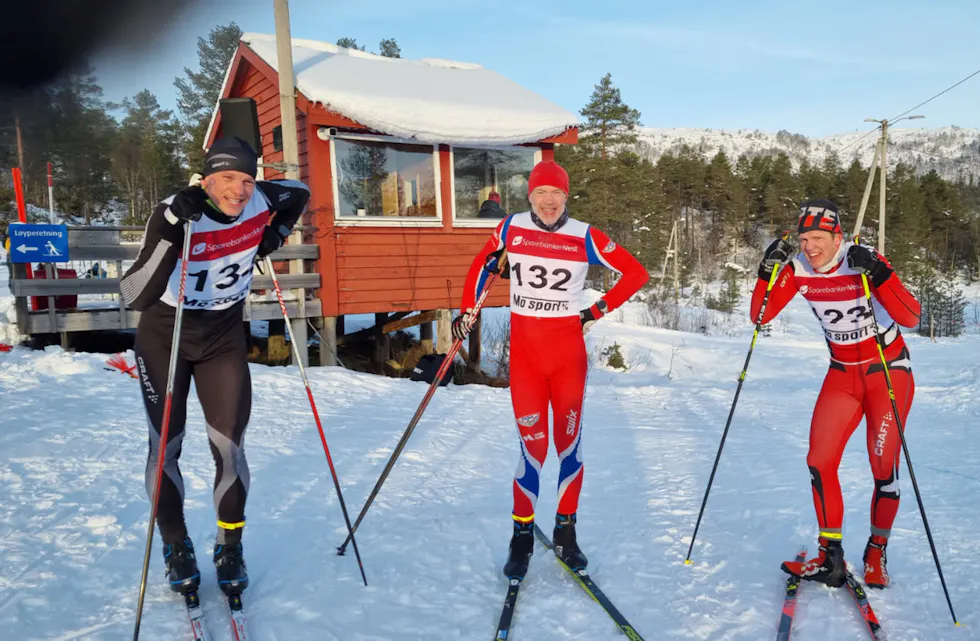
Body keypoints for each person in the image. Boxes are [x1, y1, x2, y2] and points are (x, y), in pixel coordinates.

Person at [120, 137, 310, 596]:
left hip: (222, 336)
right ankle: (175, 543)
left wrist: (273, 236)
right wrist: (171, 229)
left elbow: (299, 193)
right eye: (227, 179)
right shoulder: (174, 210)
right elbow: (133, 296)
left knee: (229, 447)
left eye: (247, 179)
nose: (239, 191)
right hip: (166, 334)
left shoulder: (265, 198)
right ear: (207, 179)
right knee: (166, 445)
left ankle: (230, 545)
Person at [452, 160, 649, 579]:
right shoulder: (511, 229)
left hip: (567, 358)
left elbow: (635, 273)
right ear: (531, 196)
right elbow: (480, 267)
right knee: (532, 451)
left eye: (555, 194)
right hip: (525, 357)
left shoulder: (586, 235)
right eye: (541, 193)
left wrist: (595, 310)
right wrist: (469, 310)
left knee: (569, 448)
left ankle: (566, 532)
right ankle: (521, 536)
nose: (548, 201)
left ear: (566, 196)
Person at [750, 199, 921, 589]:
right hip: (842, 374)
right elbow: (760, 316)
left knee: (882, 467)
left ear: (837, 236)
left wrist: (880, 273)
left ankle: (877, 549)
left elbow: (912, 316)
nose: (810, 247)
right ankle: (831, 556)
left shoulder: (862, 259)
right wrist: (766, 273)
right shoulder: (797, 270)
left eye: (818, 238)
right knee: (819, 460)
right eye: (804, 238)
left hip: (887, 373)